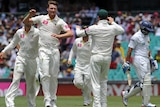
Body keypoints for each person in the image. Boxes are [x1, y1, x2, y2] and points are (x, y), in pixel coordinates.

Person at [23, 0, 73, 107]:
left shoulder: (59, 21)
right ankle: (47, 100)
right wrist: (29, 15)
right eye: (51, 8)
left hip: (54, 50)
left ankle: (53, 99)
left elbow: (70, 33)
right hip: (43, 50)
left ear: (56, 10)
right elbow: (26, 22)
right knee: (45, 75)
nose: (53, 10)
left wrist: (60, 36)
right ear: (47, 9)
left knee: (54, 76)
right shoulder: (41, 18)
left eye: (55, 9)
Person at [74, 9, 124, 107]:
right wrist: (112, 22)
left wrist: (77, 28)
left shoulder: (94, 28)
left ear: (98, 18)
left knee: (95, 82)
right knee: (104, 81)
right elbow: (121, 30)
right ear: (107, 18)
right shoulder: (112, 28)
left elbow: (79, 34)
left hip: (96, 57)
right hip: (107, 58)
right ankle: (104, 103)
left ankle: (97, 104)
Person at [0, 23, 39, 107]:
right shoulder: (19, 32)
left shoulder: (37, 32)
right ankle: (10, 103)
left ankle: (31, 104)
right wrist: (4, 51)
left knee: (31, 83)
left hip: (32, 60)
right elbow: (13, 43)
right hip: (20, 58)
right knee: (16, 79)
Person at [121, 21, 158, 107]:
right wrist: (127, 62)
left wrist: (152, 59)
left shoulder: (147, 36)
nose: (148, 32)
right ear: (143, 28)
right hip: (138, 59)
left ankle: (126, 95)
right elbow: (130, 50)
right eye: (147, 30)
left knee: (143, 83)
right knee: (147, 80)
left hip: (146, 59)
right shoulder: (136, 37)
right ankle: (146, 103)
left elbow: (147, 50)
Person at [68, 29, 92, 106]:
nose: (85, 36)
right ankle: (84, 91)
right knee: (78, 83)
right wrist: (70, 59)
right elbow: (73, 50)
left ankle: (87, 100)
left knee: (87, 82)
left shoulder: (92, 41)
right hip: (78, 65)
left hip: (89, 65)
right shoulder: (77, 41)